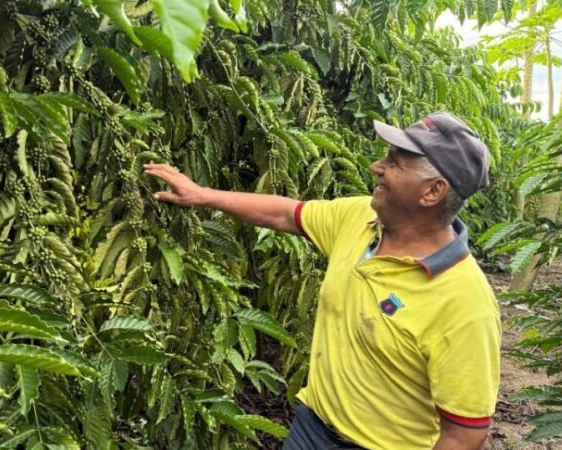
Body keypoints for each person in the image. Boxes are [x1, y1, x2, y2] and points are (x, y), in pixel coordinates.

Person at [143, 111, 501, 450]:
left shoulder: (464, 301)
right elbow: (286, 213)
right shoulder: (359, 217)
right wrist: (202, 195)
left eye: (394, 162)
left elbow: (465, 434)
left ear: (432, 192)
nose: (376, 167)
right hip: (311, 428)